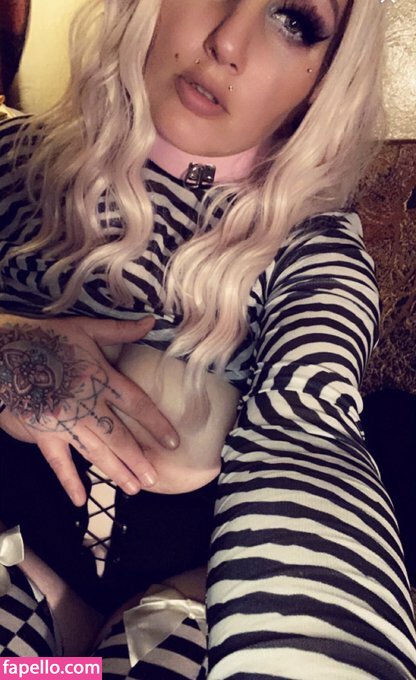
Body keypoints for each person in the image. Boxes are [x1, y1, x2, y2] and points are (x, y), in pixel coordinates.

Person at [0, 0, 415, 677]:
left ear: (323, 78)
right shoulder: (13, 163)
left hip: (187, 611)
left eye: (293, 20)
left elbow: (308, 432)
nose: (227, 41)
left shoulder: (315, 252)